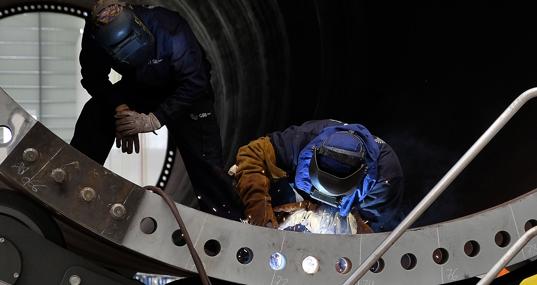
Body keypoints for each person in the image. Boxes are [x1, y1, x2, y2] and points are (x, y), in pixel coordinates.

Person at [71, 0, 242, 220]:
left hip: (184, 91)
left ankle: (227, 219)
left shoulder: (169, 27)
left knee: (206, 165)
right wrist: (120, 109)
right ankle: (75, 185)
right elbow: (93, 77)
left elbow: (195, 82)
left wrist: (153, 120)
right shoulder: (96, 34)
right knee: (95, 114)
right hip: (139, 84)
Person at [232, 119, 405, 233]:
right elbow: (252, 153)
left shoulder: (385, 179)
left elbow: (370, 237)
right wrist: (260, 213)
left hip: (346, 217)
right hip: (298, 194)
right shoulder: (302, 139)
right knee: (243, 182)